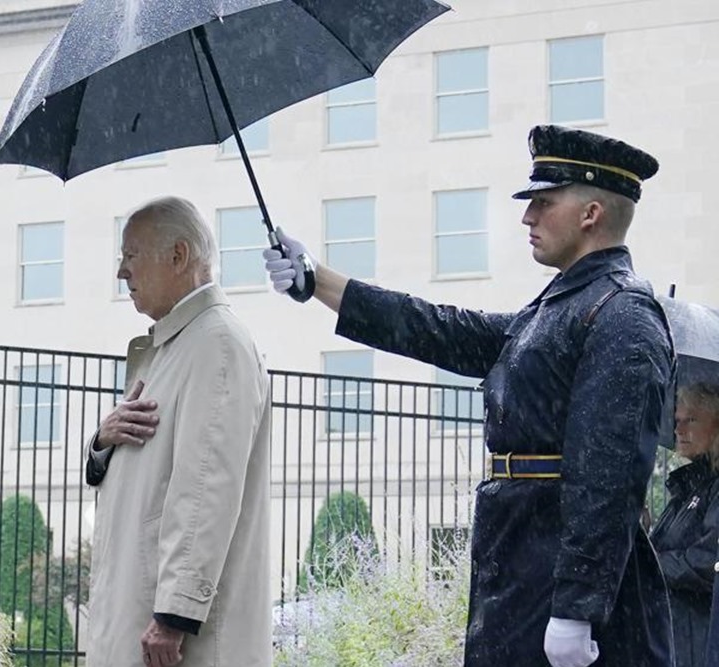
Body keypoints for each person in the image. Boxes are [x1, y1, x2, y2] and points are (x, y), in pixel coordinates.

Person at [264, 125, 674, 667]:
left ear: (591, 213)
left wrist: (578, 606)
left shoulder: (621, 314)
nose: (527, 217)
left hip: (557, 575)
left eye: (542, 202)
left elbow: (609, 476)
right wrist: (317, 280)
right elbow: (439, 328)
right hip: (523, 557)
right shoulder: (559, 307)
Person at [85, 196, 273, 667]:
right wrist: (101, 442)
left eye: (131, 255)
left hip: (175, 639)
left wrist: (175, 615)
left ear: (178, 256)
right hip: (141, 619)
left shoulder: (217, 343)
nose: (121, 273)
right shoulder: (176, 345)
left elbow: (207, 486)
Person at [651, 382, 719, 666]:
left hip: (701, 640)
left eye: (691, 419)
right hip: (675, 634)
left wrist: (650, 563)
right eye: (677, 421)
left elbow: (708, 562)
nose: (679, 429)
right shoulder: (688, 484)